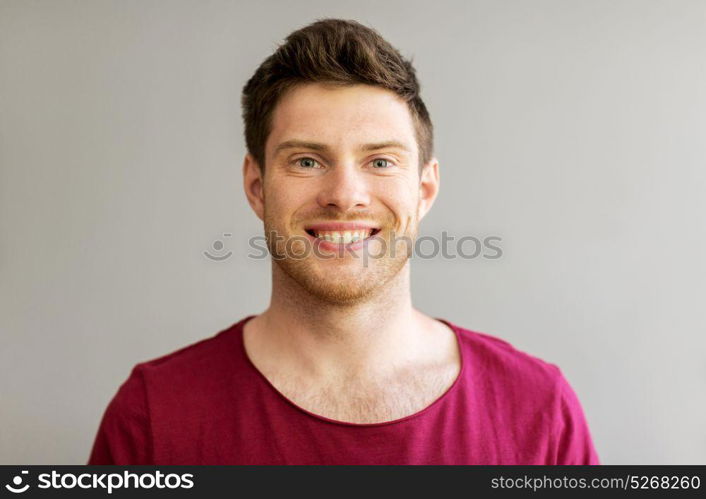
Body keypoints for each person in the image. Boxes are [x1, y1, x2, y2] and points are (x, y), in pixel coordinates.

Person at [87, 18, 599, 465]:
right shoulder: (154, 415)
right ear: (257, 187)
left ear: (424, 190)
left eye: (380, 161)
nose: (344, 197)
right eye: (307, 161)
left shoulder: (537, 408)